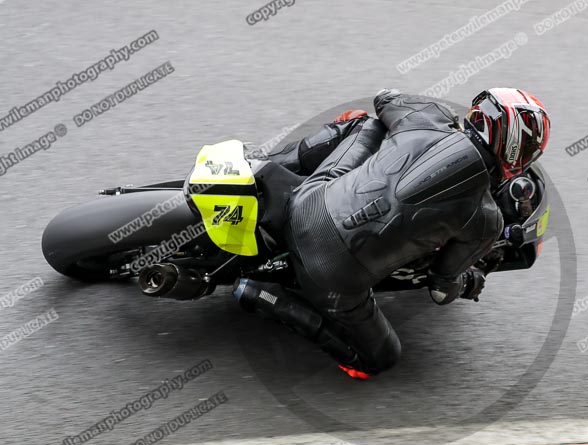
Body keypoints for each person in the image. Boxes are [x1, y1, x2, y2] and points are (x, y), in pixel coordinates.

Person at [233, 88, 550, 379]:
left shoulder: (429, 119)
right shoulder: (487, 220)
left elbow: (384, 98)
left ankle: (263, 166)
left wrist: (426, 112)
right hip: (329, 277)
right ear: (517, 153)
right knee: (378, 359)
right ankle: (262, 294)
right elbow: (441, 291)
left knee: (366, 125)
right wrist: (468, 281)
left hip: (305, 203)